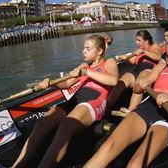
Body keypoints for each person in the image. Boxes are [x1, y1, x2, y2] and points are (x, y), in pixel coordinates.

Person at [84, 35, 168, 168]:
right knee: (109, 146)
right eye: (167, 56)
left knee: (136, 163)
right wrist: (140, 83)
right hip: (148, 108)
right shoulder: (162, 67)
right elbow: (138, 88)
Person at [12, 35, 119, 168]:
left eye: (88, 48)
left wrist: (87, 72)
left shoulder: (109, 62)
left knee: (65, 127)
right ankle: (17, 165)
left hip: (94, 102)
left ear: (99, 51)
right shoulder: (84, 65)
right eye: (83, 48)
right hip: (76, 100)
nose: (83, 51)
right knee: (42, 123)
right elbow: (68, 83)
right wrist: (51, 84)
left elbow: (113, 80)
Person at [107, 30, 161, 112]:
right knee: (120, 83)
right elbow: (132, 61)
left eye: (139, 40)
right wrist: (126, 58)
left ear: (146, 41)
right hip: (136, 69)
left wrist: (143, 52)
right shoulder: (138, 52)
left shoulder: (154, 46)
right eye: (136, 40)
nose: (136, 43)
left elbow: (158, 57)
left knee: (138, 85)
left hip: (148, 69)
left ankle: (130, 110)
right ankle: (107, 106)